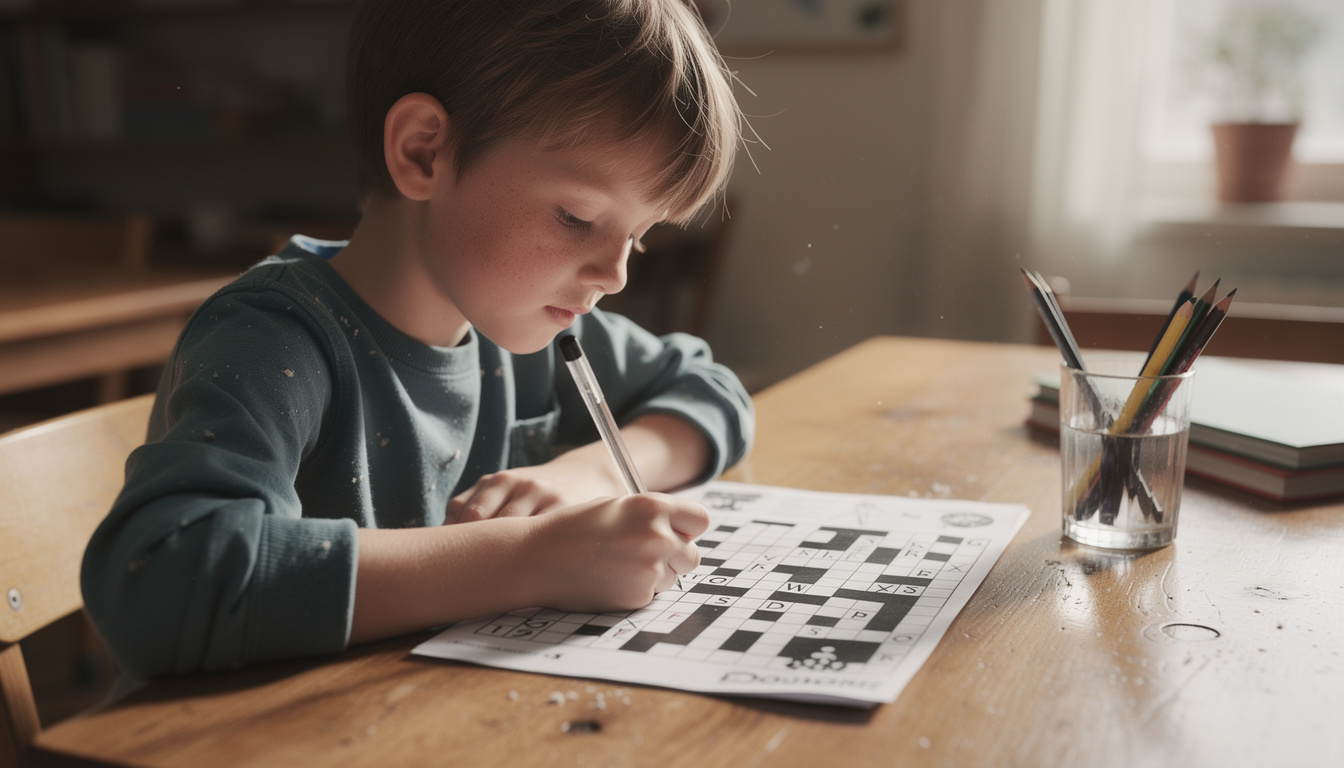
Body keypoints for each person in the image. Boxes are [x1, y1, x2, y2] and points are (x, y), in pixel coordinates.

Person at [81, 0, 753, 680]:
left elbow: (710, 390)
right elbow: (160, 584)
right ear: (423, 151)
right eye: (577, 217)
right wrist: (530, 558)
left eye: (639, 236)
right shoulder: (277, 341)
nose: (615, 274)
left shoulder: (517, 321)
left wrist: (585, 475)